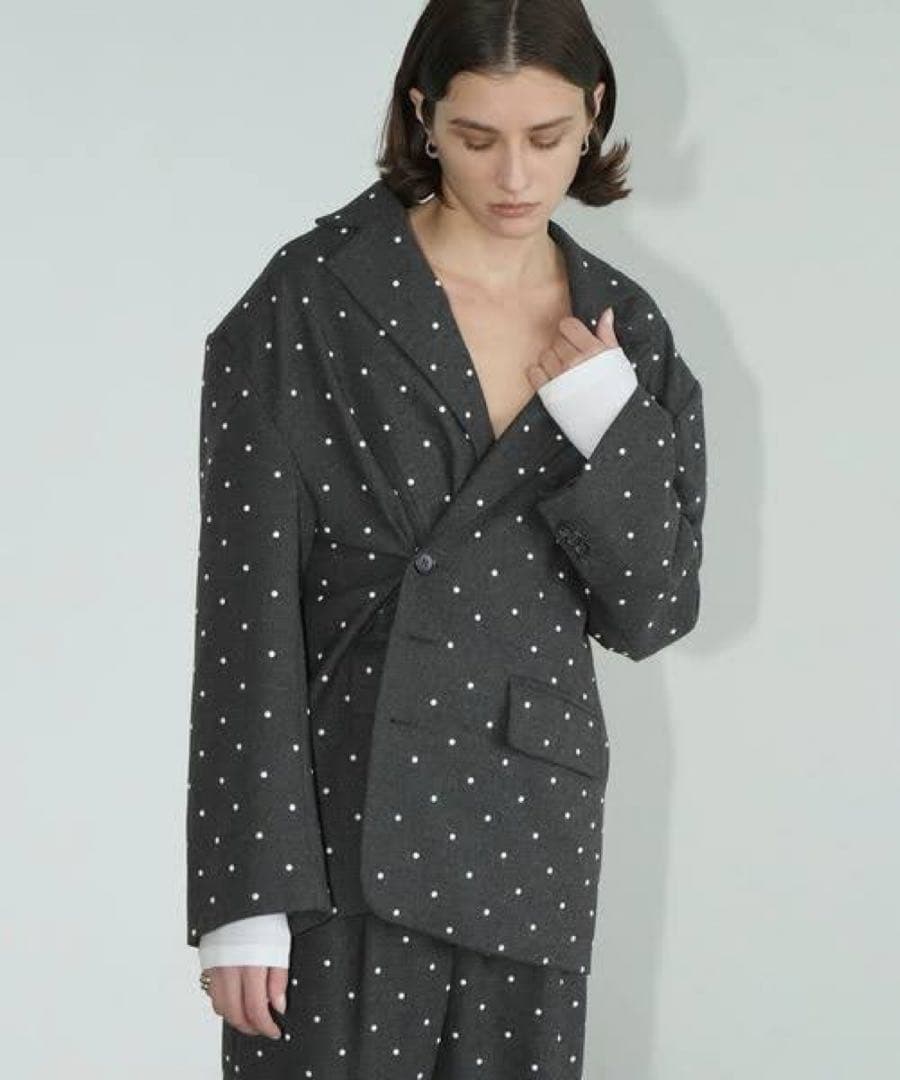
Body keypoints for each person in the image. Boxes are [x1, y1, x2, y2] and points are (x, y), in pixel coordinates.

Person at [185, 1, 707, 1076]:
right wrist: (244, 892)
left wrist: (611, 427)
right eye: (477, 137)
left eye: (548, 138)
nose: (515, 176)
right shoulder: (312, 297)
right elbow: (244, 603)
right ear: (423, 115)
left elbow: (654, 611)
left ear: (595, 112)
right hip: (339, 816)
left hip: (529, 829)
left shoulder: (627, 330)